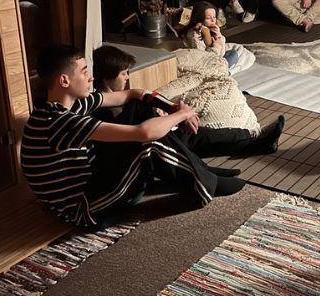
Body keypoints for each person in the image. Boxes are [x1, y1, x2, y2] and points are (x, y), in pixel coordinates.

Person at [21, 44, 247, 228]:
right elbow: (144, 133)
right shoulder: (60, 122)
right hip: (86, 209)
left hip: (93, 178)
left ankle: (200, 170)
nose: (91, 78)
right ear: (64, 81)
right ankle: (207, 183)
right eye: (84, 72)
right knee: (148, 141)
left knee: (140, 110)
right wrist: (181, 114)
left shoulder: (72, 105)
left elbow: (134, 94)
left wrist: (169, 108)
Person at [92, 44, 284, 158]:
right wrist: (175, 116)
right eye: (123, 74)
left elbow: (140, 93)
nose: (127, 78)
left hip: (166, 131)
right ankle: (256, 140)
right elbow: (139, 131)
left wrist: (167, 109)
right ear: (108, 76)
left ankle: (258, 142)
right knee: (209, 138)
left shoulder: (118, 96)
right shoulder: (103, 110)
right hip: (154, 145)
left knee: (211, 136)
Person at [183, 1, 240, 69]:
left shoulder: (210, 29)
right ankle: (224, 72)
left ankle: (223, 69)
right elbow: (205, 60)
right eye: (208, 18)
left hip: (214, 58)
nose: (213, 20)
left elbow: (222, 53)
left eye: (214, 17)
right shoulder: (194, 34)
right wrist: (216, 46)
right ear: (199, 18)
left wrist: (219, 36)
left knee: (233, 53)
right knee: (232, 57)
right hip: (204, 65)